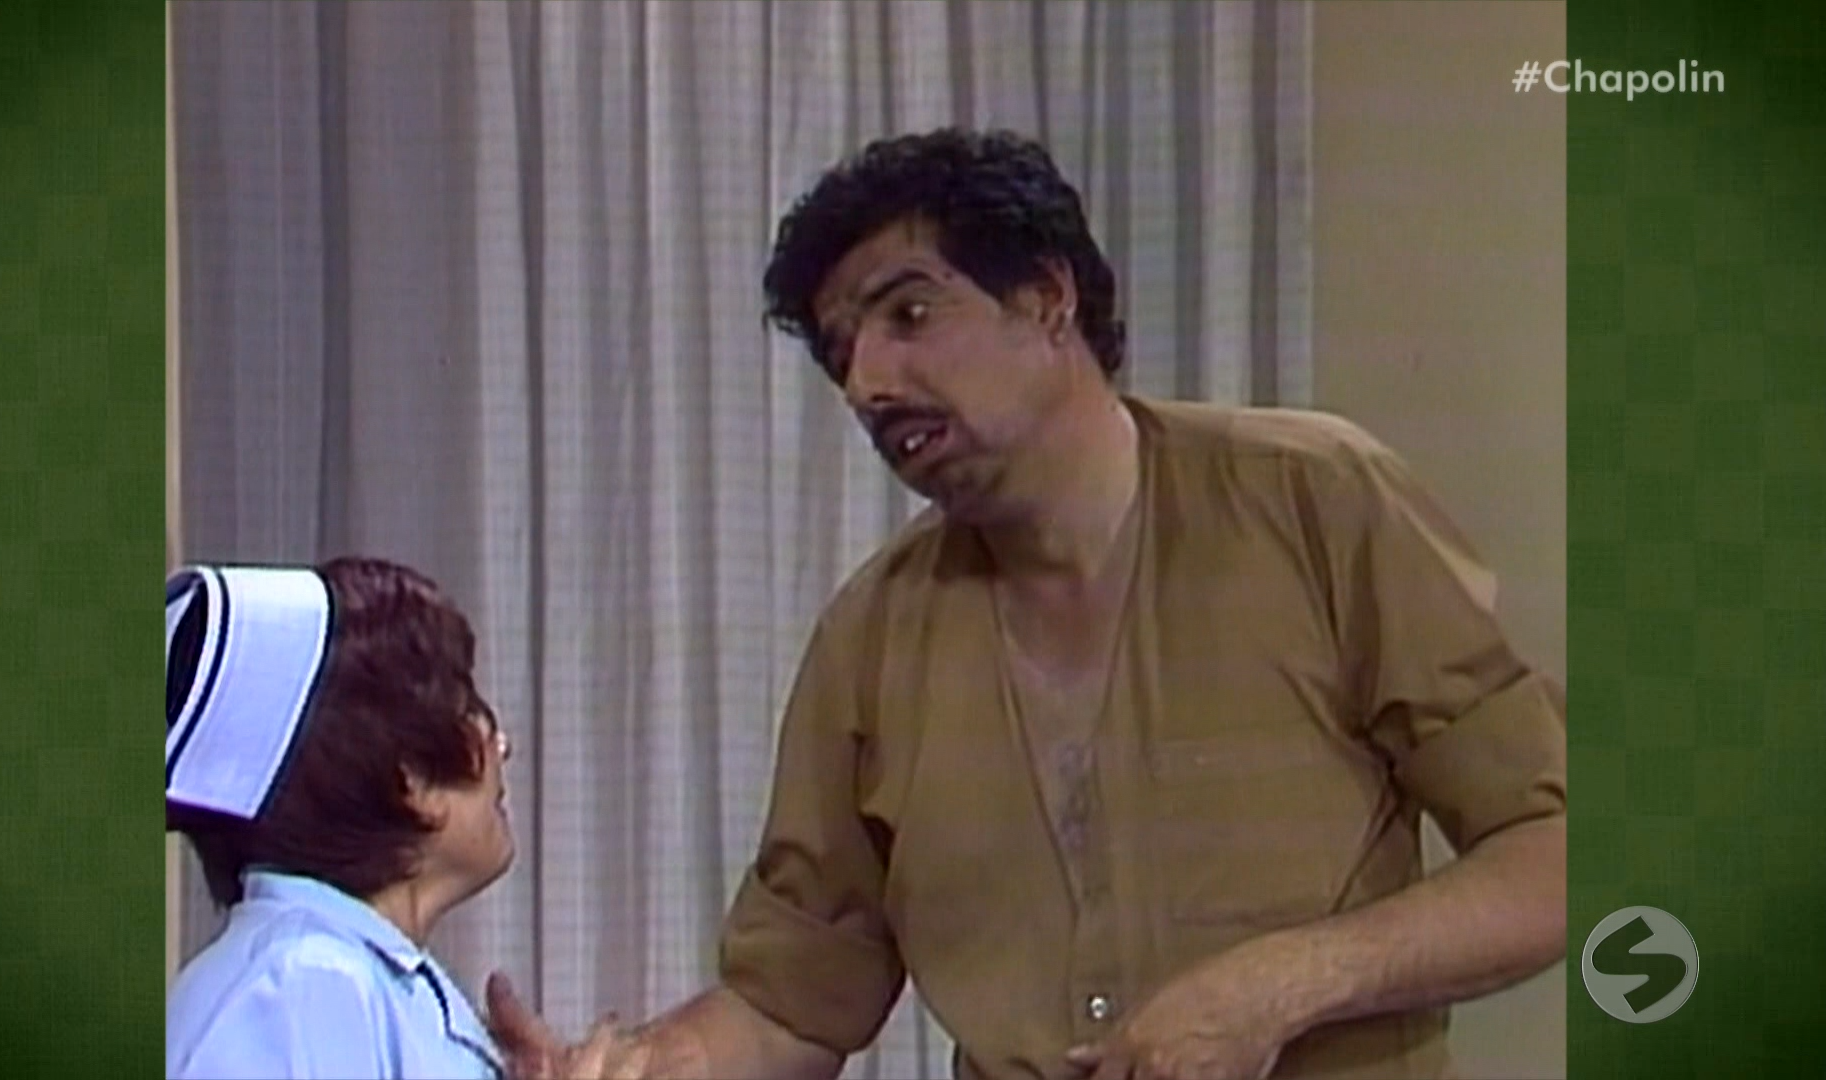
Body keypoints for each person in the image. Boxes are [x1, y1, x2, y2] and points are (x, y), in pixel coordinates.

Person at [492, 128, 1567, 1080]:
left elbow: (1554, 852)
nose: (868, 381)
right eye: (842, 351)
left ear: (1049, 298)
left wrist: (1283, 985)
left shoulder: (1315, 502)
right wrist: (639, 1068)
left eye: (909, 313)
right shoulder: (870, 640)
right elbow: (790, 1004)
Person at [165, 556, 648, 1080]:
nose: (502, 746)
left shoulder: (358, 978)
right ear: (410, 777)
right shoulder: (299, 986)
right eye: (467, 707)